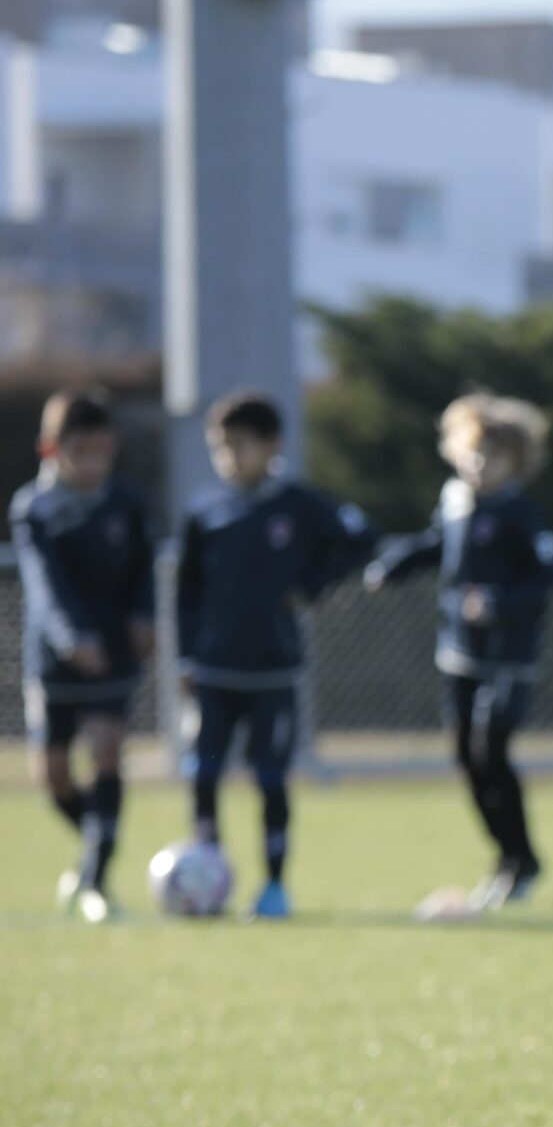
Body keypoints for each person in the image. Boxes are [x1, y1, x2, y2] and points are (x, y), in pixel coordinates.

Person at [175, 391, 376, 918]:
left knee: (269, 779)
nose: (229, 457)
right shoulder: (205, 511)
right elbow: (186, 591)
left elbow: (362, 540)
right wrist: (184, 658)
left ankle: (274, 887)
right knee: (204, 775)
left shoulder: (299, 505)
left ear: (272, 446)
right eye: (221, 447)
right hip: (214, 670)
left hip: (272, 670)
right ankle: (209, 877)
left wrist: (310, 585)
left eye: (240, 445)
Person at [364, 393, 553, 914]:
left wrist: (499, 603)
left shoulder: (519, 513)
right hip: (459, 653)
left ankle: (520, 858)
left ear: (514, 461)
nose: (479, 464)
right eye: (472, 452)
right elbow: (436, 545)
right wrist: (393, 566)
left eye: (492, 456)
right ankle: (506, 857)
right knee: (466, 760)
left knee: (489, 751)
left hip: (508, 658)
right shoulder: (456, 501)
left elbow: (545, 577)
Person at [13, 388, 156, 922]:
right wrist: (71, 635)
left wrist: (144, 615)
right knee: (53, 776)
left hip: (114, 655)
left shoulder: (127, 503)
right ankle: (100, 845)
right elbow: (44, 583)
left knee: (105, 753)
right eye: (82, 453)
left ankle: (95, 880)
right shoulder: (35, 508)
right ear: (51, 449)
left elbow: (143, 567)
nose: (95, 464)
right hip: (54, 660)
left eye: (103, 453)